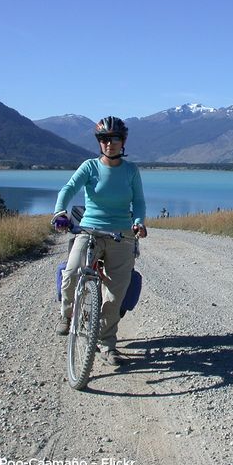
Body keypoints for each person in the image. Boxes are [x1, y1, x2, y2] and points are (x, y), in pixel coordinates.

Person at [51, 116, 147, 366]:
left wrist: (138, 221)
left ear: (122, 141)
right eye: (104, 139)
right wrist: (60, 211)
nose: (109, 144)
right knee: (72, 272)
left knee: (115, 295)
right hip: (89, 230)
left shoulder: (130, 171)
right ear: (99, 142)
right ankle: (67, 314)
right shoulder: (89, 167)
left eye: (114, 139)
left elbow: (138, 201)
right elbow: (69, 189)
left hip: (122, 234)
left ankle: (108, 345)